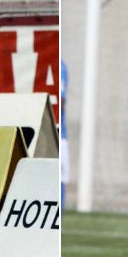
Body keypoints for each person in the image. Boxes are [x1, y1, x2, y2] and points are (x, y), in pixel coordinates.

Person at [60, 58, 69, 211]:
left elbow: (61, 100)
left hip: (60, 134)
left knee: (61, 178)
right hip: (58, 134)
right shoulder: (61, 65)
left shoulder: (61, 65)